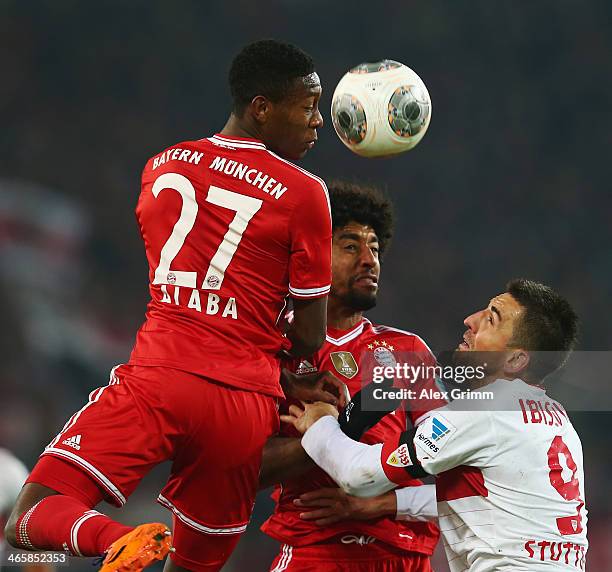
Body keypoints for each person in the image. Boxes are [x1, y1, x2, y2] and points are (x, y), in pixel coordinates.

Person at [5, 39, 342, 572]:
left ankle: (117, 539)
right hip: (241, 409)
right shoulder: (305, 193)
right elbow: (309, 335)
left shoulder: (161, 166)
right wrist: (289, 377)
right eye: (308, 107)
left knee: (30, 517)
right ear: (261, 107)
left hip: (159, 378)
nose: (319, 121)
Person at [283, 279, 589, 571]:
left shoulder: (483, 409)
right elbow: (481, 501)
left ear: (515, 360)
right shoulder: (559, 420)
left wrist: (321, 422)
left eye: (491, 320)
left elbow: (359, 476)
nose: (471, 320)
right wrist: (385, 505)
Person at [260, 181, 445, 572]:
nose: (368, 259)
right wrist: (335, 432)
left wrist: (375, 501)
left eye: (375, 249)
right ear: (311, 256)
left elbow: (450, 460)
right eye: (350, 246)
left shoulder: (407, 350)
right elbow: (249, 469)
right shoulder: (273, 348)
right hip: (318, 551)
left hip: (405, 554)